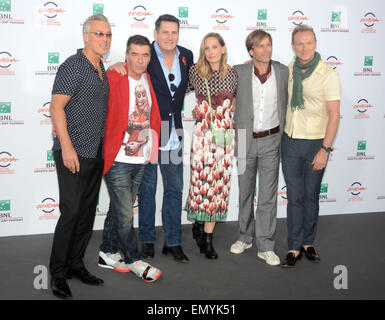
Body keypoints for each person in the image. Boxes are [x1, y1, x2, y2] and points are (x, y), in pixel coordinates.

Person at [109, 14, 193, 263]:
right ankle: (146, 240)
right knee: (147, 189)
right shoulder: (145, 56)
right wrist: (117, 64)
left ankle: (173, 241)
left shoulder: (187, 55)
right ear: (155, 33)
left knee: (175, 188)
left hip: (174, 130)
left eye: (174, 32)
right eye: (165, 32)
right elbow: (130, 67)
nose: (170, 37)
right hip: (151, 131)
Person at [48, 13, 111, 299]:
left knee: (85, 215)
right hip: (73, 152)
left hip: (95, 153)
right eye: (99, 34)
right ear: (85, 36)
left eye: (108, 35)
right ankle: (58, 274)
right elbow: (56, 107)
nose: (104, 39)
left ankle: (75, 264)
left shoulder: (102, 70)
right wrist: (67, 146)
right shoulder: (73, 66)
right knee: (71, 213)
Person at [97, 35, 162, 282]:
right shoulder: (114, 76)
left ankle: (107, 252)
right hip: (118, 158)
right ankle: (135, 260)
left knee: (118, 208)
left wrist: (152, 152)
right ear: (126, 55)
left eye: (145, 55)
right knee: (126, 214)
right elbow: (91, 84)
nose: (140, 60)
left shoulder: (149, 80)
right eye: (134, 54)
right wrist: (109, 65)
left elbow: (152, 115)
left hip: (141, 158)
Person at [281, 25, 341, 267]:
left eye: (308, 43)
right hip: (291, 141)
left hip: (316, 142)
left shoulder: (327, 75)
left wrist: (324, 150)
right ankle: (294, 247)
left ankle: (308, 242)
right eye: (299, 43)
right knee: (294, 197)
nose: (304, 48)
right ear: (293, 46)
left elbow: (334, 116)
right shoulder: (289, 70)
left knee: (311, 196)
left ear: (315, 43)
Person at [230, 30, 289, 266]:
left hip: (272, 140)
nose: (266, 50)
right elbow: (216, 89)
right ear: (251, 51)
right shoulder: (239, 72)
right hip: (245, 139)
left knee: (267, 196)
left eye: (269, 45)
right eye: (261, 46)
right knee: (245, 192)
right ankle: (245, 236)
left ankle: (265, 244)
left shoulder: (283, 72)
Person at [185, 32, 237, 259]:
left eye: (215, 47)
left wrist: (229, 106)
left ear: (223, 48)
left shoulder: (234, 74)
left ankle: (208, 239)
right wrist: (195, 111)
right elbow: (177, 92)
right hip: (203, 133)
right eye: (207, 48)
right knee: (200, 182)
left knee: (219, 184)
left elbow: (238, 100)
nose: (211, 52)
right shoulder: (195, 71)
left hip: (225, 135)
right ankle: (198, 222)